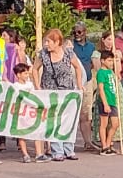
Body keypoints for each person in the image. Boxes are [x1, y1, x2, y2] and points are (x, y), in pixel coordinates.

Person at [32, 27, 85, 161]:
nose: (46, 44)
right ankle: (57, 151)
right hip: (50, 92)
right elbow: (34, 69)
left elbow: (77, 67)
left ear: (57, 42)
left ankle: (69, 149)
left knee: (67, 120)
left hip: (66, 90)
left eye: (48, 41)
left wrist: (79, 84)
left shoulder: (68, 53)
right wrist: (37, 86)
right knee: (54, 121)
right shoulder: (43, 54)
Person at [69, 22, 98, 152]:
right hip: (72, 83)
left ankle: (87, 142)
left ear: (85, 32)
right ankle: (68, 142)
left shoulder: (91, 46)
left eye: (79, 32)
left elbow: (94, 62)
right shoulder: (70, 46)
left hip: (87, 82)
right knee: (70, 114)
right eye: (74, 32)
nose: (76, 35)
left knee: (85, 114)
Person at [94, 49, 122, 155]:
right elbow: (101, 89)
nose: (111, 63)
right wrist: (105, 104)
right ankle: (104, 146)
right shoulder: (101, 73)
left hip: (113, 101)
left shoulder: (111, 72)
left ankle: (108, 143)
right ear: (103, 61)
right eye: (109, 60)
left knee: (115, 124)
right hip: (105, 101)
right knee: (104, 124)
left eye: (112, 60)